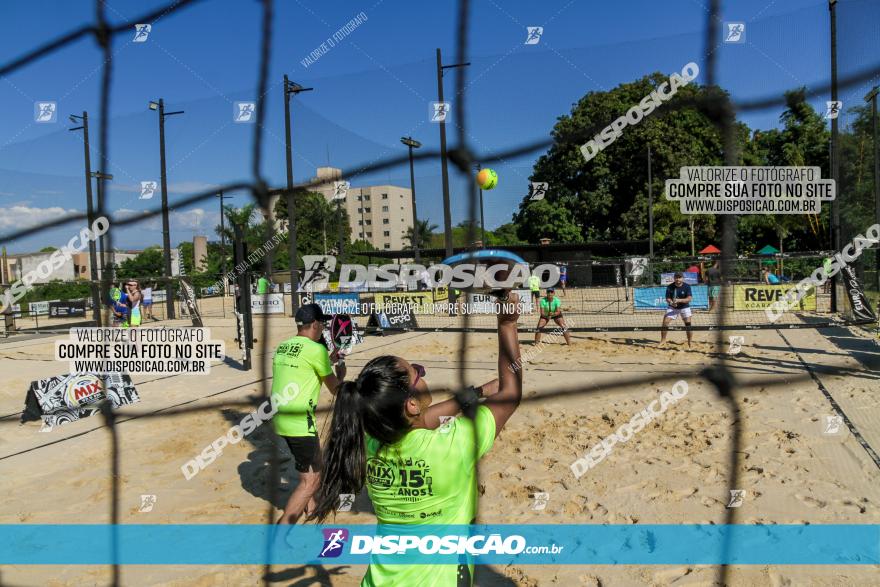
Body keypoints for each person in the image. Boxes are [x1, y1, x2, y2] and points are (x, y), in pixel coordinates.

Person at [308, 293, 523, 586]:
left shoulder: (368, 441)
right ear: (410, 403)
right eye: (417, 373)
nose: (422, 376)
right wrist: (507, 324)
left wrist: (477, 392)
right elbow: (511, 393)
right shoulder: (453, 444)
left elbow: (422, 419)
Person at [273, 303, 345, 525]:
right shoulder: (316, 350)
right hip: (300, 423)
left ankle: (311, 508)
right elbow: (336, 390)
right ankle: (282, 531)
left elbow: (304, 365)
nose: (323, 327)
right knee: (311, 481)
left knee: (313, 465)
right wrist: (341, 371)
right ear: (314, 324)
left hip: (280, 419)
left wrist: (328, 360)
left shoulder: (283, 346)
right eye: (322, 324)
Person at [659, 272, 693, 348]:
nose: (678, 279)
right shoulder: (670, 287)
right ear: (674, 278)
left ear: (682, 278)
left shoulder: (687, 286)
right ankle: (663, 340)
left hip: (684, 307)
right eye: (676, 277)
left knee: (688, 325)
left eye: (679, 277)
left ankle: (690, 341)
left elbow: (689, 299)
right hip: (673, 307)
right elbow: (667, 298)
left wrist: (679, 300)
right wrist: (671, 303)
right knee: (665, 322)